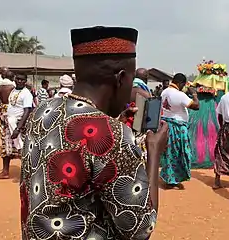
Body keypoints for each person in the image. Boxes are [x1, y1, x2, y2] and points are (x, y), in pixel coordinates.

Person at [20, 26, 168, 240]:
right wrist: (154, 152)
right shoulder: (112, 135)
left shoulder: (42, 112)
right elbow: (141, 228)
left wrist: (112, 121)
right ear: (120, 78)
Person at [160, 73, 199, 189]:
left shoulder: (164, 92)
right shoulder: (179, 95)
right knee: (180, 153)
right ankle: (174, 179)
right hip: (177, 128)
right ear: (181, 83)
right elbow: (196, 106)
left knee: (169, 153)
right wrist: (194, 94)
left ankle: (169, 178)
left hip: (166, 126)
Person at [0, 73, 33, 179]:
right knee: (6, 148)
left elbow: (27, 111)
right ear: (15, 80)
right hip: (8, 124)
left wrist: (18, 129)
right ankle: (5, 172)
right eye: (18, 79)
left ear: (25, 81)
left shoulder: (26, 94)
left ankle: (27, 174)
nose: (20, 81)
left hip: (20, 125)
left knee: (22, 149)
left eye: (22, 79)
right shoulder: (13, 91)